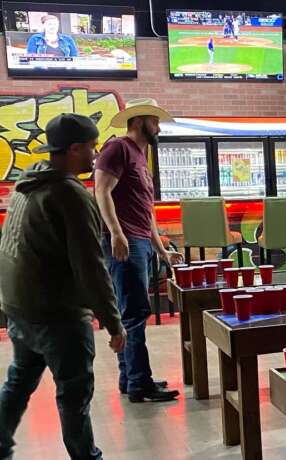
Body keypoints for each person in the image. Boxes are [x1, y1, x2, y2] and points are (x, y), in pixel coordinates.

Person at [0, 114, 126, 459]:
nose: (95, 154)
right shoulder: (68, 194)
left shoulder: (29, 182)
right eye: (91, 147)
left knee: (19, 382)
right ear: (74, 149)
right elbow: (90, 267)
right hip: (57, 314)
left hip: (20, 308)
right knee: (74, 394)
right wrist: (113, 322)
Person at [95, 98, 184, 403]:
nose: (158, 127)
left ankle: (130, 378)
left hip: (140, 242)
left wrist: (161, 250)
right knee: (134, 313)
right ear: (138, 121)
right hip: (127, 243)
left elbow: (147, 212)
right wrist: (116, 233)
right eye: (155, 121)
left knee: (130, 313)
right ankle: (139, 384)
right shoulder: (118, 148)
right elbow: (101, 189)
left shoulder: (140, 156)